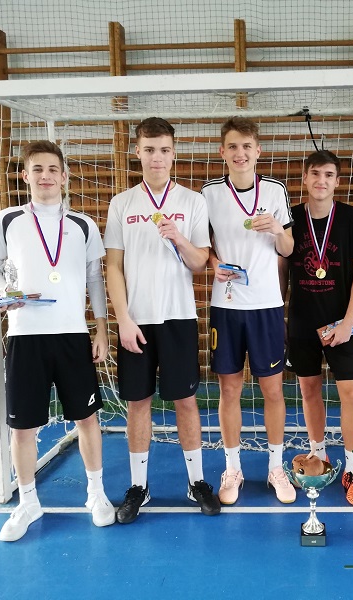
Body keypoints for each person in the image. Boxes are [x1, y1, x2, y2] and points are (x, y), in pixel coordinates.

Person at [0, 140, 115, 541]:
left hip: (73, 336)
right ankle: (27, 502)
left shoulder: (83, 224)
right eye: (37, 169)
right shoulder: (8, 220)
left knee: (87, 419)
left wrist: (101, 328)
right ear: (25, 175)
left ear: (64, 176)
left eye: (53, 169)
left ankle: (96, 494)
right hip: (25, 336)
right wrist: (7, 292)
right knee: (23, 427)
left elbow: (95, 279)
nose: (45, 176)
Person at [105, 117, 220, 522]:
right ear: (137, 151)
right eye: (150, 149)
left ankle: (196, 482)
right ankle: (139, 486)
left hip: (178, 318)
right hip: (136, 321)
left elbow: (201, 262)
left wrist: (178, 237)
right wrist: (123, 319)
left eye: (164, 150)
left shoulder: (192, 201)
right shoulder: (122, 203)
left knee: (186, 401)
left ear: (174, 153)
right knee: (138, 403)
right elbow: (113, 266)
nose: (157, 157)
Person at [201, 117, 296, 505]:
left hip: (266, 306)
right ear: (222, 152)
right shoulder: (208, 193)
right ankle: (233, 468)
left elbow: (289, 249)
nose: (240, 153)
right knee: (229, 389)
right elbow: (203, 248)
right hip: (226, 305)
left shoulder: (275, 190)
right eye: (232, 146)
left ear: (258, 151)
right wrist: (213, 264)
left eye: (246, 146)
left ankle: (276, 467)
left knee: (272, 389)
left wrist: (277, 229)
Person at [281, 149, 353, 507]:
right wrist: (280, 317)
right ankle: (318, 454)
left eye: (329, 175)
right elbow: (282, 271)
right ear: (305, 177)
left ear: (337, 181)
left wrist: (349, 322)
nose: (321, 180)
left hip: (340, 323)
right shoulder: (291, 218)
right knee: (309, 391)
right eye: (315, 174)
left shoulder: (350, 218)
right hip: (302, 323)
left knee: (351, 393)